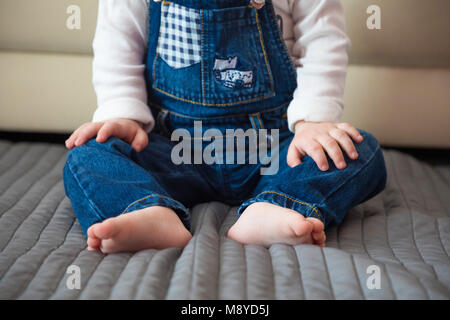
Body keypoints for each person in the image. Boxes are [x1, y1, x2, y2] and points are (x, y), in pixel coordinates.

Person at [63, 0, 387, 253]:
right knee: (89, 153)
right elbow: (117, 42)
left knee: (357, 147)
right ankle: (144, 210)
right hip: (175, 149)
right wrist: (123, 115)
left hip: (272, 149)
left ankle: (277, 204)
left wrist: (313, 121)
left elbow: (323, 40)